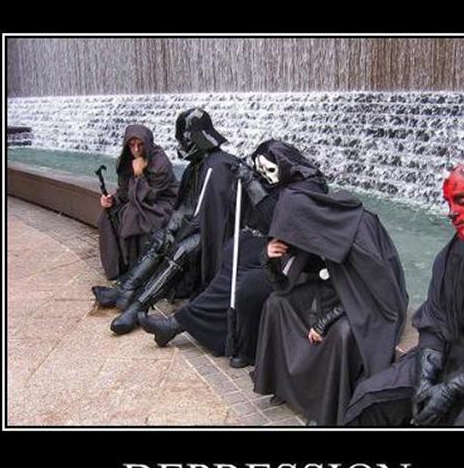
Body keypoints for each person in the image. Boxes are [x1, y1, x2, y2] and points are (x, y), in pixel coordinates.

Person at [345, 160, 464, 427]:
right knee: (370, 397)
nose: (452, 212)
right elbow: (434, 320)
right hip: (452, 354)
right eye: (449, 202)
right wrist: (425, 378)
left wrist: (451, 389)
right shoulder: (451, 253)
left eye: (462, 200)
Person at [139, 140, 329, 368]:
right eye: (260, 171)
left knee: (241, 282)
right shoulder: (281, 183)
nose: (266, 176)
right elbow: (263, 217)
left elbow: (278, 219)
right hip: (276, 251)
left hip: (296, 262)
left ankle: (179, 326)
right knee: (232, 261)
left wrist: (252, 184)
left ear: (284, 164)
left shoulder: (309, 189)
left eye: (269, 169)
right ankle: (185, 326)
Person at [252, 188, 408, 426]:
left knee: (341, 333)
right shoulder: (311, 228)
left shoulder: (359, 230)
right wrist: (268, 258)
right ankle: (283, 386)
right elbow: (282, 286)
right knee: (276, 304)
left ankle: (324, 409)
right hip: (331, 288)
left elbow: (372, 296)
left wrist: (324, 322)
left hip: (367, 301)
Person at [92, 109, 239, 334]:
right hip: (195, 224)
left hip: (215, 232)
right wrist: (171, 229)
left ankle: (139, 305)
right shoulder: (196, 167)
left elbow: (214, 213)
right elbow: (185, 207)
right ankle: (126, 289)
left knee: (180, 250)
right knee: (161, 239)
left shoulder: (219, 166)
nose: (180, 146)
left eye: (183, 140)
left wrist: (182, 230)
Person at [98, 124, 178, 280]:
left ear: (147, 143)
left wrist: (139, 174)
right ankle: (118, 266)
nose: (136, 150)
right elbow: (124, 191)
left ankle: (137, 269)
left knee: (134, 216)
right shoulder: (126, 160)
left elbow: (150, 195)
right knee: (107, 215)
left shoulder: (160, 162)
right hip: (140, 199)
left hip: (162, 203)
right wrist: (111, 199)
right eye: (132, 145)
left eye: (140, 145)